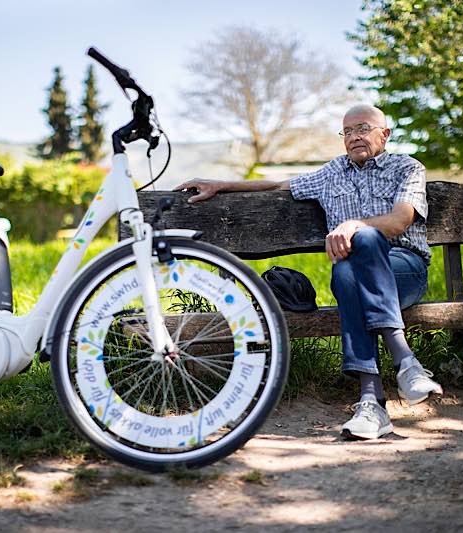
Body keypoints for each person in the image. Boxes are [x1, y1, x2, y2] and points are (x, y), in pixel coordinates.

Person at [174, 104, 443, 440]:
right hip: (360, 281)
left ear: (384, 134)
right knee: (346, 274)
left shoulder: (407, 168)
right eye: (347, 131)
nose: (355, 136)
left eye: (363, 128)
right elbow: (278, 186)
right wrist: (220, 184)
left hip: (404, 270)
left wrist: (354, 225)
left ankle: (374, 398)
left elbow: (400, 221)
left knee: (366, 241)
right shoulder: (332, 173)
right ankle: (404, 366)